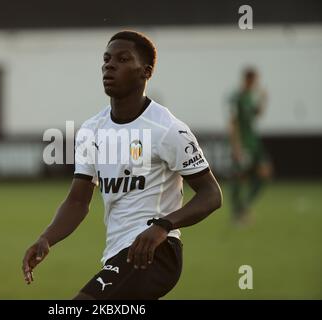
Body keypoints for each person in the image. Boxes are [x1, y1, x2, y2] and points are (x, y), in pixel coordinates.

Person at [22, 30, 222, 300]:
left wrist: (163, 226)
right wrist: (47, 237)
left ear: (145, 72)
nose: (109, 65)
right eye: (106, 59)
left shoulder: (167, 129)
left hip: (156, 253)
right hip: (118, 254)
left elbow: (211, 195)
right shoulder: (92, 130)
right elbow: (78, 201)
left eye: (123, 59)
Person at [228, 67, 273, 225]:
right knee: (239, 176)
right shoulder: (237, 97)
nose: (255, 83)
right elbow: (232, 123)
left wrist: (263, 99)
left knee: (265, 173)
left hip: (254, 143)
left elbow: (258, 114)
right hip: (243, 144)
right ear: (247, 79)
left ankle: (244, 206)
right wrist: (236, 146)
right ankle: (237, 213)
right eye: (254, 80)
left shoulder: (249, 97)